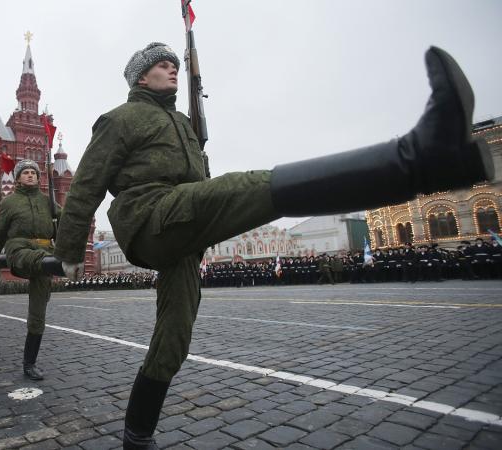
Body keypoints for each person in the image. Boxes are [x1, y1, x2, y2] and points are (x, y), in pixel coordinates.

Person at [52, 42, 493, 448]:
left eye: (174, 64)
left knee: (174, 342)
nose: (172, 69)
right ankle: (415, 158)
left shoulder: (183, 123)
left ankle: (137, 434)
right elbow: (86, 187)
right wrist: (70, 252)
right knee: (248, 186)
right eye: (161, 65)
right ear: (140, 77)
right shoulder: (120, 119)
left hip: (186, 229)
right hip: (150, 218)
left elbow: (198, 180)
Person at [0, 160, 64, 380]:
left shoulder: (48, 202)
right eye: (25, 173)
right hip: (19, 249)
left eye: (33, 173)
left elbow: (65, 223)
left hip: (46, 254)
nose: (30, 175)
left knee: (38, 312)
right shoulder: (10, 202)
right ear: (18, 178)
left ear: (39, 178)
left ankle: (30, 363)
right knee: (35, 257)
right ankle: (58, 265)